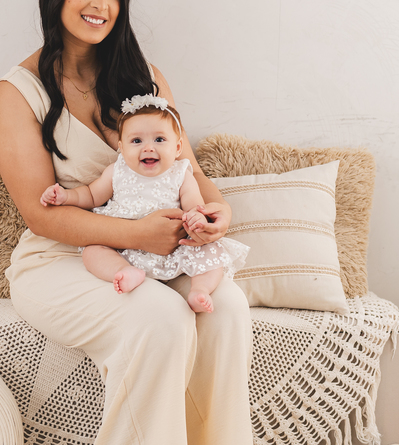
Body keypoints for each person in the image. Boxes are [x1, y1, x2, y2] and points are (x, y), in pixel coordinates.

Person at [0, 0, 260, 445]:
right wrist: (135, 235)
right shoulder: (19, 90)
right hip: (64, 258)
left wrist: (218, 212)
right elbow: (39, 213)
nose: (100, 4)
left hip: (159, 253)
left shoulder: (144, 79)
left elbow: (189, 171)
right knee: (160, 317)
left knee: (227, 309)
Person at [38, 95, 250, 313]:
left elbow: (195, 207)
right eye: (137, 141)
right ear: (122, 148)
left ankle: (200, 289)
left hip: (174, 247)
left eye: (159, 139)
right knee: (92, 251)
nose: (148, 148)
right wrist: (66, 196)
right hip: (123, 245)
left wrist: (197, 219)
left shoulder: (181, 174)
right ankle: (125, 271)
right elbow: (91, 196)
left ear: (178, 147)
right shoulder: (116, 171)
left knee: (211, 251)